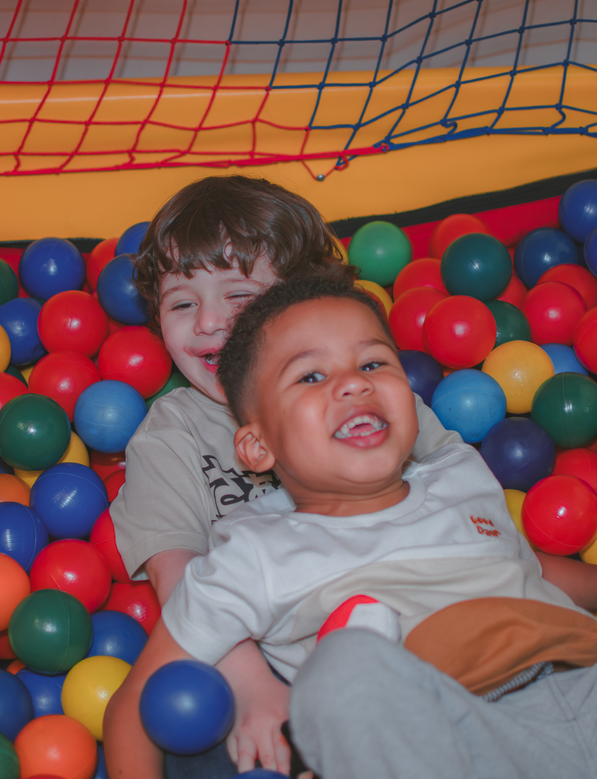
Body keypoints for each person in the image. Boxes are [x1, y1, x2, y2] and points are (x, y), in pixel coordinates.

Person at [103, 277, 597, 779]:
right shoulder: (253, 552)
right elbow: (135, 708)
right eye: (311, 376)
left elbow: (523, 569)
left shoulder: (454, 476)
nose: (353, 381)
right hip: (466, 746)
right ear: (257, 446)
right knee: (343, 674)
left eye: (373, 362)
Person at [109, 175, 462, 774]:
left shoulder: (362, 391)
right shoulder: (171, 434)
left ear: (299, 301)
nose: (209, 323)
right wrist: (251, 688)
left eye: (239, 297)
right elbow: (182, 579)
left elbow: (454, 495)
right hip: (257, 652)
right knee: (187, 723)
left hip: (410, 615)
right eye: (182, 303)